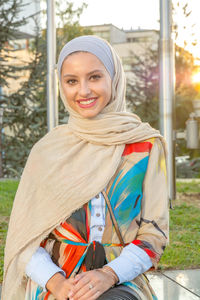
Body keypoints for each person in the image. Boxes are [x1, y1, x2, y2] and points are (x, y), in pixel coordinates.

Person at [2, 35, 169, 300]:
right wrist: (57, 284)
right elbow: (25, 239)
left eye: (94, 77)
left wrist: (108, 275)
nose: (83, 91)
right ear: (62, 86)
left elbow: (154, 235)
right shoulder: (47, 151)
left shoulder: (145, 146)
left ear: (113, 78)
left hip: (120, 281)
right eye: (71, 81)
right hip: (53, 281)